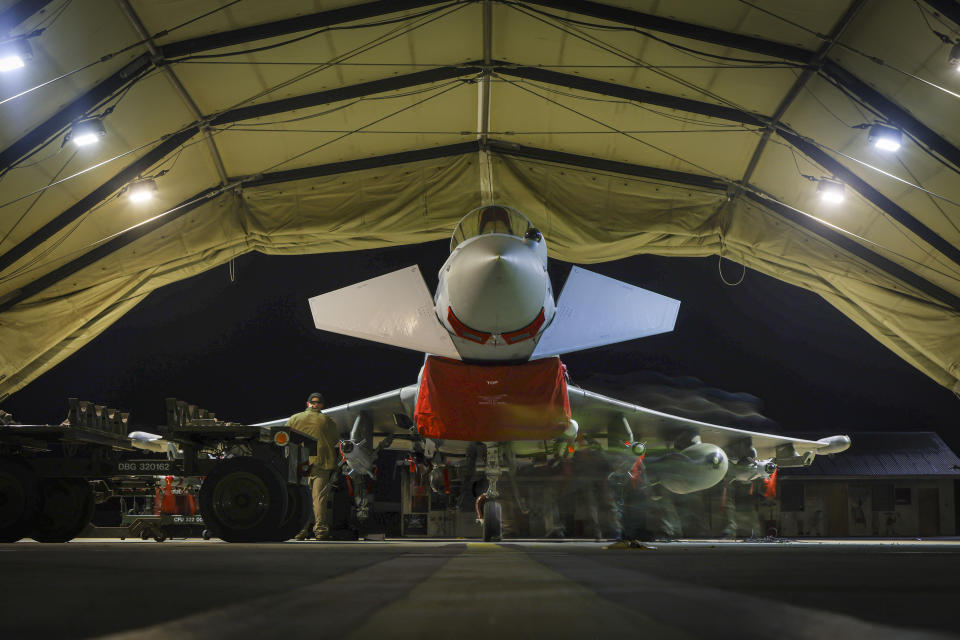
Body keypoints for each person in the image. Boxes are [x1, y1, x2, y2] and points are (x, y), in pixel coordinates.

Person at [287, 392, 340, 541]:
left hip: (300, 463)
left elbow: (285, 437)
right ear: (321, 405)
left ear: (307, 404)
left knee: (301, 498)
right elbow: (335, 440)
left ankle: (300, 531)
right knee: (319, 499)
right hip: (321, 463)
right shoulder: (327, 421)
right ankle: (321, 531)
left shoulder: (294, 419)